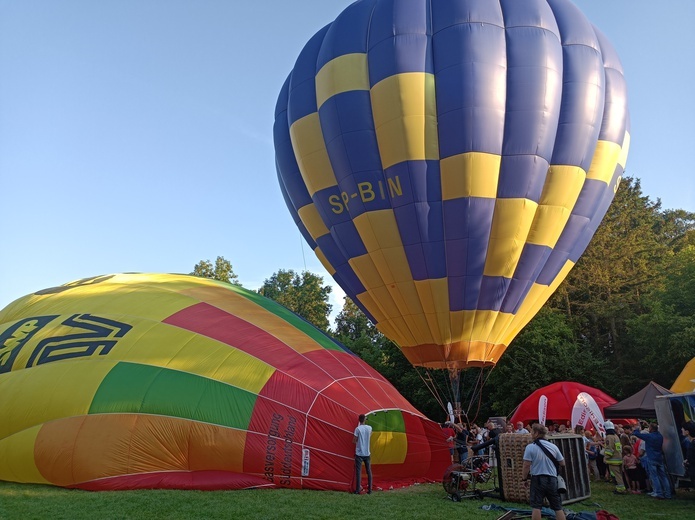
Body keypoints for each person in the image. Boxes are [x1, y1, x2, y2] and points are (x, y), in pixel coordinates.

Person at [521, 424, 566, 520]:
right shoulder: (553, 446)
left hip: (538, 479)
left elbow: (526, 465)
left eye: (532, 432)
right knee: (557, 507)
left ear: (537, 433)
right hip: (552, 479)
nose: (531, 434)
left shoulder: (530, 447)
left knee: (536, 506)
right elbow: (562, 463)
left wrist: (524, 478)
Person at [633, 422, 672, 499]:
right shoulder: (660, 436)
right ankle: (668, 493)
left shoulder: (649, 436)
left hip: (651, 457)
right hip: (659, 457)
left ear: (651, 429)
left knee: (654, 476)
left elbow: (637, 434)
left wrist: (638, 427)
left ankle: (659, 493)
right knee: (663, 476)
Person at [603, 421, 627, 494]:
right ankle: (620, 487)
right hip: (618, 458)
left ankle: (621, 489)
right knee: (619, 475)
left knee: (617, 475)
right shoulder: (616, 436)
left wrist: (605, 457)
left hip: (613, 460)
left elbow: (609, 449)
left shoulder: (609, 437)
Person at [353, 414, 372, 494]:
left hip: (359, 453)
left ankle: (357, 490)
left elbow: (354, 440)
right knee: (369, 471)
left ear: (359, 420)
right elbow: (371, 434)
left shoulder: (357, 429)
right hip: (367, 453)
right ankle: (370, 490)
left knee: (358, 472)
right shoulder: (369, 428)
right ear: (365, 419)